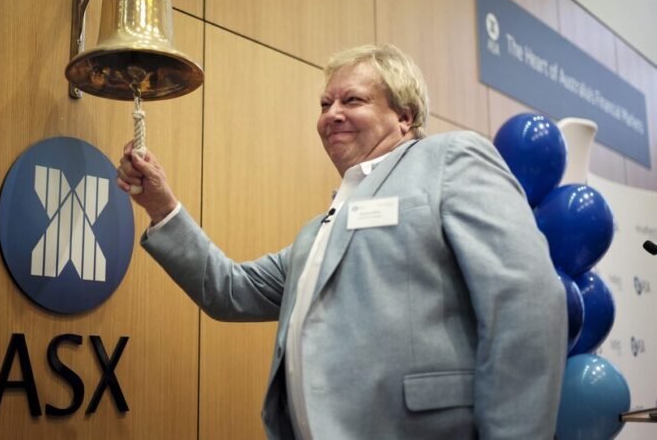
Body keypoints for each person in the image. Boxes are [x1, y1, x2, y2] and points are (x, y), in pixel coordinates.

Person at [116, 44, 567, 439]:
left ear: (404, 116)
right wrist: (161, 206)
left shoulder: (448, 159)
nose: (331, 114)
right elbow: (229, 290)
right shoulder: (318, 231)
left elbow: (526, 299)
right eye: (325, 102)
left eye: (352, 100)